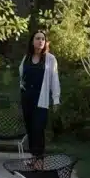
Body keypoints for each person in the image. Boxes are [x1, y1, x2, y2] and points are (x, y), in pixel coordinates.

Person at [21, 29, 61, 163]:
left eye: (43, 39)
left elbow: (55, 79)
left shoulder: (50, 59)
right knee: (30, 130)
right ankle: (34, 159)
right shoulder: (26, 58)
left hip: (41, 100)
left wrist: (56, 99)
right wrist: (22, 86)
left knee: (38, 129)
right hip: (27, 99)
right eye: (37, 38)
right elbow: (21, 73)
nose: (40, 41)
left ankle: (39, 162)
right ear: (32, 42)